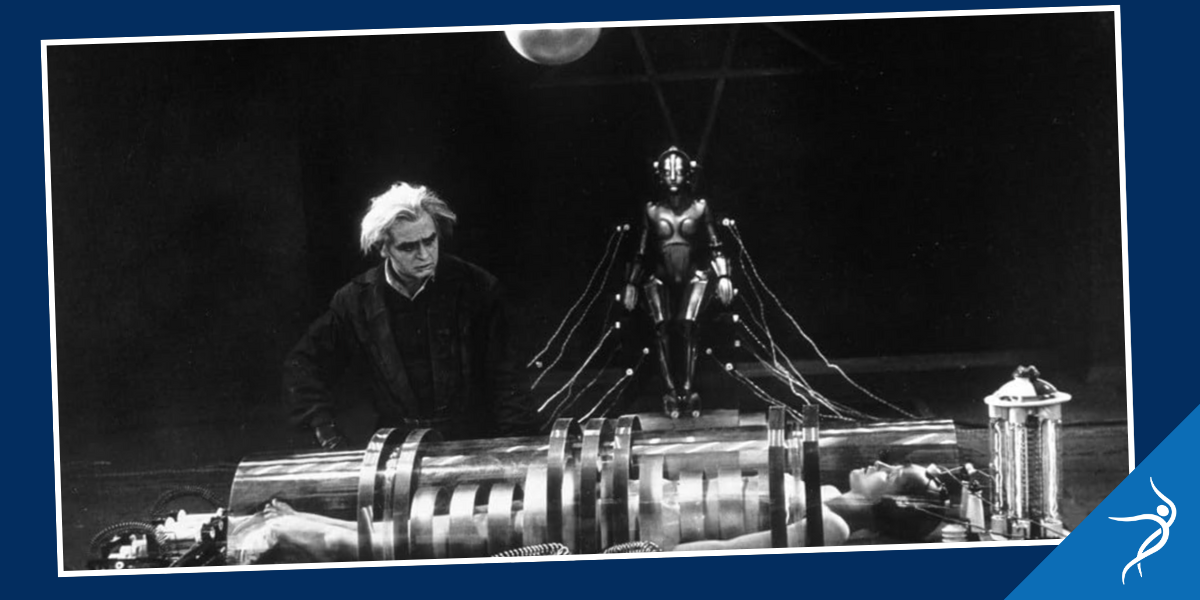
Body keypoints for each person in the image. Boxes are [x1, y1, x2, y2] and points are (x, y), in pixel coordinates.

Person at [283, 182, 539, 448]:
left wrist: (515, 450)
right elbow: (302, 365)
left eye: (430, 241)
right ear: (383, 247)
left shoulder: (478, 288)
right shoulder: (354, 301)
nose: (424, 255)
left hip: (473, 445)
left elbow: (509, 382)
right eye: (408, 247)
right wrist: (326, 432)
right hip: (396, 449)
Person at [622, 146, 735, 419]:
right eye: (667, 171)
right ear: (660, 175)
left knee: (688, 324)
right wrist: (631, 283)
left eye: (678, 170)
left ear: (688, 174)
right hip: (661, 275)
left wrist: (723, 275)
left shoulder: (699, 207)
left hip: (694, 273)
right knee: (661, 326)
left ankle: (687, 389)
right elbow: (641, 250)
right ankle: (671, 392)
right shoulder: (652, 210)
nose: (673, 176)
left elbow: (715, 245)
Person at [674, 462, 950, 551]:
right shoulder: (827, 494)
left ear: (894, 504)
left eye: (891, 475)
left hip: (671, 527)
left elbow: (729, 551)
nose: (880, 464)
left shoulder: (832, 527)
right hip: (674, 495)